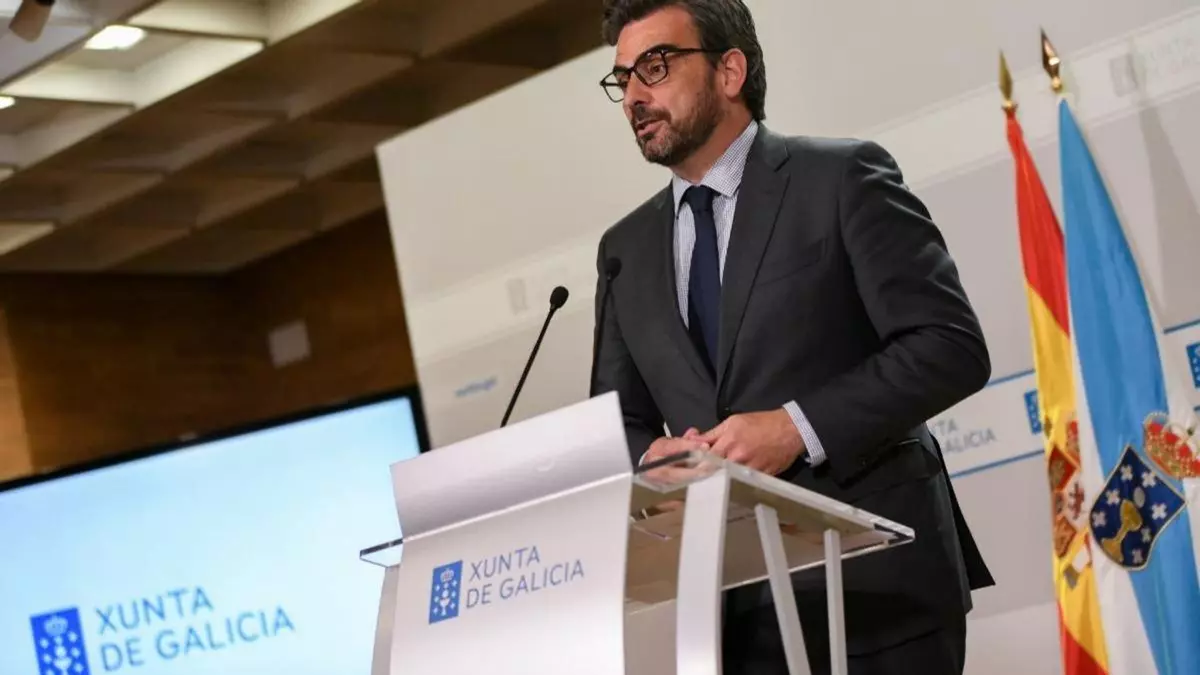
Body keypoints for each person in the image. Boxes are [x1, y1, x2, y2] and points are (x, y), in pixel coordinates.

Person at [590, 1, 995, 673]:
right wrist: (652, 458)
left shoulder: (841, 178)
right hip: (734, 610)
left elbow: (948, 344)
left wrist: (794, 427)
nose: (634, 95)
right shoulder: (623, 250)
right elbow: (617, 423)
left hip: (878, 588)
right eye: (623, 78)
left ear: (729, 71)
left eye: (655, 67)